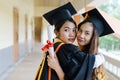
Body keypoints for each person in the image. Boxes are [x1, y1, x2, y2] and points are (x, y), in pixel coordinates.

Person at [39, 2, 110, 80]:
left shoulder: (59, 46)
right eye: (80, 30)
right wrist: (101, 57)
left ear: (94, 37)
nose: (80, 35)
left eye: (74, 30)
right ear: (56, 32)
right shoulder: (68, 49)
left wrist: (57, 67)